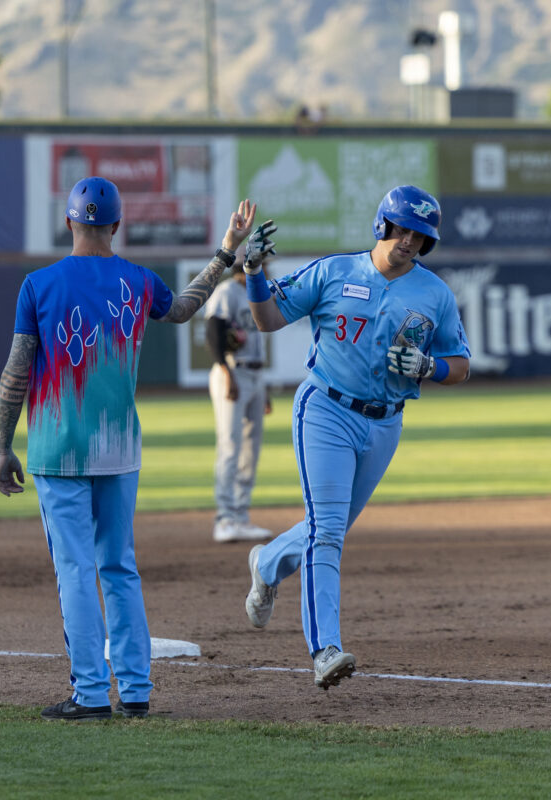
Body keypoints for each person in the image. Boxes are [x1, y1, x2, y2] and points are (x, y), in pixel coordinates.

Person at [0, 176, 259, 720]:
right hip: (119, 447)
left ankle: (90, 694)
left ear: (69, 221)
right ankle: (136, 691)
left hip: (57, 448)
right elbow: (185, 309)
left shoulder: (37, 285)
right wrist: (226, 252)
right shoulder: (138, 281)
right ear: (116, 225)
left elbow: (15, 374)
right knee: (119, 566)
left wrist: (3, 446)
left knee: (75, 569)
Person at [239, 185, 471, 690]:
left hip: (386, 422)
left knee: (331, 526)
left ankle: (268, 560)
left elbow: (462, 364)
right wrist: (254, 273)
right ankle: (324, 650)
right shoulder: (335, 271)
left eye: (419, 235)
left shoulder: (434, 294)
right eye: (401, 229)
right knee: (327, 532)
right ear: (382, 225)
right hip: (325, 409)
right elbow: (269, 318)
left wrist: (431, 366)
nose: (408, 241)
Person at [205, 256, 275, 543]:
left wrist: (264, 388)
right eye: (262, 265)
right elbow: (213, 333)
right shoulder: (226, 292)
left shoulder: (258, 294)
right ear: (244, 267)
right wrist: (226, 373)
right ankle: (224, 518)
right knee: (231, 445)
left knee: (251, 448)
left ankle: (240, 515)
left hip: (255, 375)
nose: (266, 270)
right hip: (232, 372)